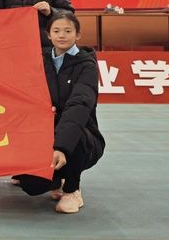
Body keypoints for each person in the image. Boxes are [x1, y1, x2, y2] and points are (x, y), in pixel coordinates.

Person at [16, 12, 105, 213]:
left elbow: (79, 106)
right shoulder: (40, 60)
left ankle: (72, 189)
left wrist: (61, 147)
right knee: (31, 185)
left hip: (82, 137)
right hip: (44, 131)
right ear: (48, 35)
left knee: (74, 134)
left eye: (67, 31)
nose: (62, 35)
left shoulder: (86, 65)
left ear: (77, 34)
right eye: (56, 31)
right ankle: (56, 180)